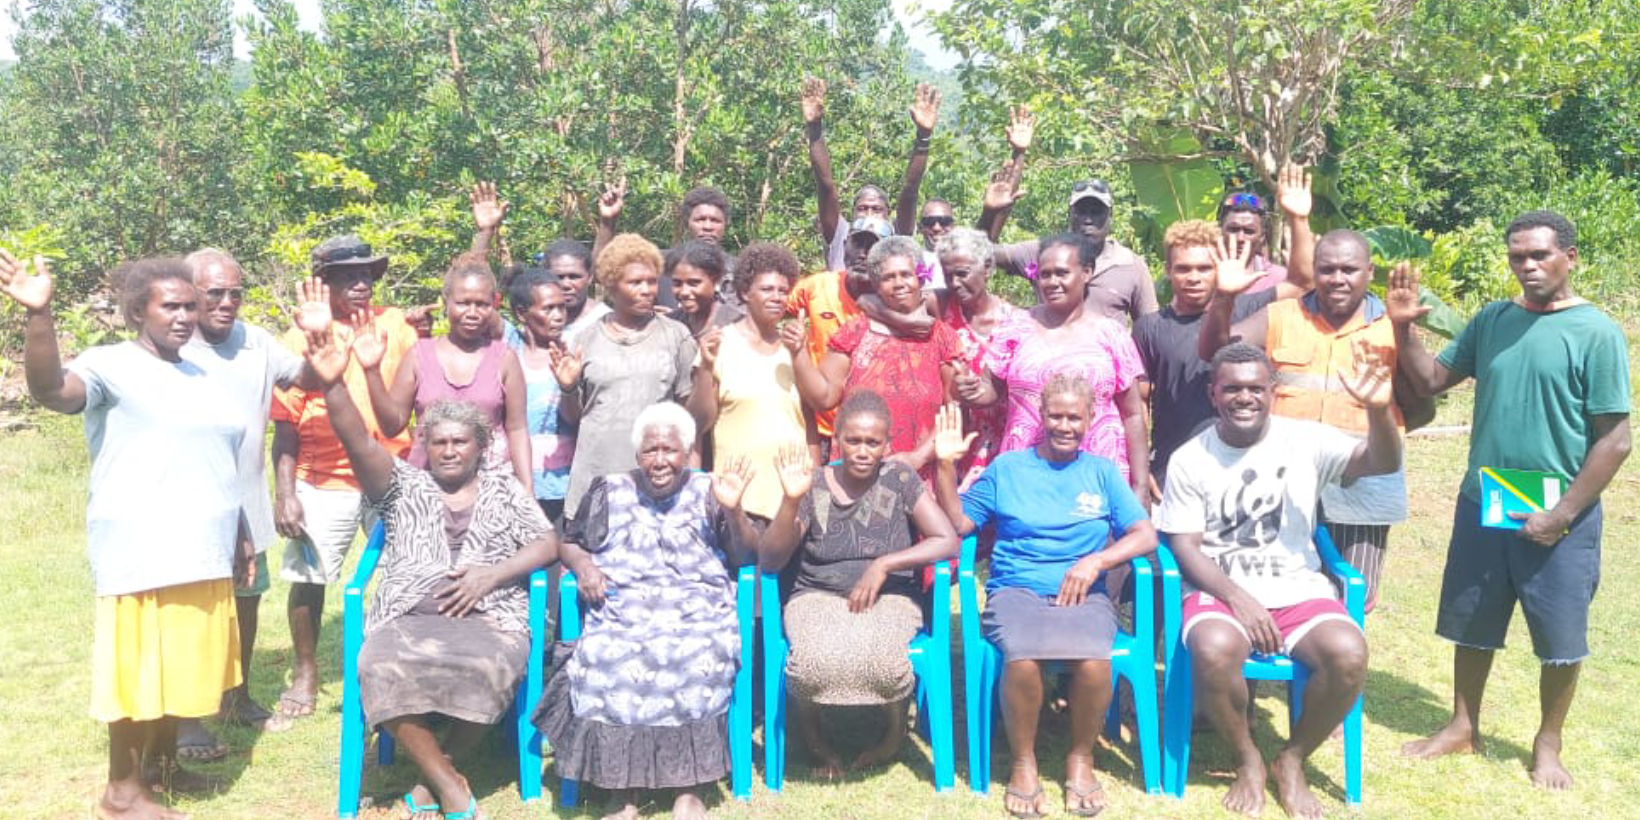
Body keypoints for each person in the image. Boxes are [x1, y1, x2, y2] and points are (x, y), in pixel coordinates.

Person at [3, 252, 251, 820]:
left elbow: (217, 457)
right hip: (146, 548)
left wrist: (238, 530)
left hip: (204, 548)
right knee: (141, 677)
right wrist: (39, 316)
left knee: (183, 671)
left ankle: (161, 772)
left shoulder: (198, 371)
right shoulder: (110, 364)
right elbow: (52, 392)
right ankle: (121, 793)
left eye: (192, 305)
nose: (186, 317)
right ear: (138, 311)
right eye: (172, 307)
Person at [1395, 211, 1631, 791]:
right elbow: (1429, 382)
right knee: (1472, 616)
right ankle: (1462, 726)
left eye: (1539, 255)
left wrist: (1563, 515)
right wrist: (1403, 330)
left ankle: (1548, 743)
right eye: (1517, 257)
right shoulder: (1494, 320)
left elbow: (1615, 439)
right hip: (1487, 498)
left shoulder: (1596, 332)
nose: (1527, 266)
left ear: (1569, 258)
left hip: (1558, 509)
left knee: (1559, 633)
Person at [301, 330, 558, 820]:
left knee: (495, 667)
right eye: (438, 442)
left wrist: (491, 575)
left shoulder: (504, 490)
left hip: (490, 618)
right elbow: (358, 442)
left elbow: (548, 543)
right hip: (407, 616)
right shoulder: (402, 485)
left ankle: (425, 787)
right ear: (426, 446)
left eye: (460, 441)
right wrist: (334, 385)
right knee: (377, 666)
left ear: (482, 447)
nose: (448, 450)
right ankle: (446, 782)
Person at [1155, 342, 1399, 820]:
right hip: (1219, 591)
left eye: (1255, 388)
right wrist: (1239, 598)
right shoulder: (1190, 458)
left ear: (1274, 392)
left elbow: (1382, 461)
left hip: (1297, 589)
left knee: (1348, 653)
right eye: (1232, 389)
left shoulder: (1306, 441)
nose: (1244, 397)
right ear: (1213, 393)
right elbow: (1184, 546)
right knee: (1214, 647)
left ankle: (1291, 758)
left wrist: (1378, 411)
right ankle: (1248, 759)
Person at [932, 375, 1159, 819]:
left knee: (1096, 660)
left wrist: (1097, 562)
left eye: (1075, 417)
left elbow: (1144, 534)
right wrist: (944, 466)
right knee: (1023, 657)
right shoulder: (1008, 468)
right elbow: (960, 523)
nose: (1065, 425)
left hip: (1084, 594)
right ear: (1041, 416)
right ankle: (1023, 761)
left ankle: (1080, 756)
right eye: (1056, 415)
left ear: (1091, 420)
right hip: (1017, 589)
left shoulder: (1101, 472)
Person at [536, 403, 760, 820]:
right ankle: (620, 794)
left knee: (694, 655)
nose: (660, 460)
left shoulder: (712, 489)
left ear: (688, 451)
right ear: (637, 454)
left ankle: (689, 789)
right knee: (604, 656)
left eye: (670, 450)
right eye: (650, 450)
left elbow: (746, 554)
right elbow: (569, 540)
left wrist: (733, 509)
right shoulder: (610, 489)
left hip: (698, 610)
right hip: (623, 606)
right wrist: (584, 566)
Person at [1199, 228, 1408, 612]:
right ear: (1314, 270)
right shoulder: (1282, 316)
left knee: (1351, 596)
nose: (1338, 279)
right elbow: (1215, 351)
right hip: (1281, 484)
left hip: (1362, 486)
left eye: (1349, 269)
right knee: (1268, 589)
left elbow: (1422, 399)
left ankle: (1332, 667)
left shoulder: (1395, 325)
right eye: (1327, 269)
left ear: (1370, 271)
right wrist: (1224, 298)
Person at [757, 393, 959, 779]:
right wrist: (789, 501)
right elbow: (770, 559)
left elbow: (946, 539)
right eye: (853, 440)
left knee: (883, 660)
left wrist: (885, 563)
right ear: (836, 439)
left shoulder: (899, 479)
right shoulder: (813, 484)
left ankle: (893, 731)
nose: (863, 451)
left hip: (891, 597)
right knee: (814, 662)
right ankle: (814, 740)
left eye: (873, 442)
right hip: (817, 594)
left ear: (887, 445)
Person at [171, 250, 320, 761]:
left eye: (236, 292)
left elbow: (307, 378)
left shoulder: (255, 341)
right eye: (215, 293)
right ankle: (186, 719)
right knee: (193, 612)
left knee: (245, 603)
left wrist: (322, 344)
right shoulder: (171, 345)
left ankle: (234, 696)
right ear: (189, 292)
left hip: (248, 501)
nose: (227, 302)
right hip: (190, 508)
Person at [270, 234, 419, 730]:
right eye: (346, 276)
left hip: (389, 469)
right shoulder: (300, 336)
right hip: (322, 477)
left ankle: (394, 666)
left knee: (405, 571)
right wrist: (285, 491)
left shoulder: (395, 325)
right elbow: (285, 421)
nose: (359, 285)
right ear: (325, 282)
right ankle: (306, 673)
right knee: (309, 580)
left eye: (366, 275)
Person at [1133, 164, 1316, 496]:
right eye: (1183, 269)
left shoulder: (1246, 309)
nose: (1193, 277)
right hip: (1172, 470)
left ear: (1220, 267)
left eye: (1204, 268)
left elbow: (1303, 282)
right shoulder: (1149, 327)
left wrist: (1298, 219)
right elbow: (1138, 407)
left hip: (1243, 468)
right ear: (1167, 271)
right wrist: (1142, 468)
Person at [956, 234, 1149, 502]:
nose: (1052, 282)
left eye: (1062, 273)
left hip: (1097, 480)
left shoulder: (1112, 334)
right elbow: (991, 390)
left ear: (1087, 273)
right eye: (1045, 274)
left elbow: (1133, 414)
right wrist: (970, 391)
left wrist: (1140, 488)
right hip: (1028, 475)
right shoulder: (1016, 325)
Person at [790, 235, 961, 484]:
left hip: (920, 477)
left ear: (921, 278)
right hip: (854, 477)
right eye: (888, 278)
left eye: (906, 274)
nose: (899, 283)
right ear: (877, 285)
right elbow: (824, 397)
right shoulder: (854, 332)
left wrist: (917, 457)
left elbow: (953, 409)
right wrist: (799, 354)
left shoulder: (943, 338)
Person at [358, 253, 533, 486]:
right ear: (446, 302)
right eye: (462, 303)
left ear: (495, 304)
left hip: (490, 490)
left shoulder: (505, 359)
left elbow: (517, 429)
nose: (472, 312)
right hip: (427, 489)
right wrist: (371, 371)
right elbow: (392, 426)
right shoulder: (419, 355)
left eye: (481, 304)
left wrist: (527, 491)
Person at [558, 233, 698, 516]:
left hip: (657, 482)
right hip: (597, 480)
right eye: (635, 282)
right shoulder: (586, 340)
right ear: (612, 285)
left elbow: (689, 415)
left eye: (651, 281)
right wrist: (568, 388)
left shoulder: (675, 336)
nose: (646, 290)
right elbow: (574, 418)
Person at [689, 242, 813, 521]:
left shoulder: (792, 347)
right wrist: (707, 367)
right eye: (767, 289)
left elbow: (809, 419)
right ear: (745, 292)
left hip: (792, 494)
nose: (777, 297)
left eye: (783, 291)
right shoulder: (719, 344)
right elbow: (698, 422)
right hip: (738, 496)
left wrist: (813, 478)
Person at [801, 76, 942, 270]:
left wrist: (924, 137)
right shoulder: (840, 233)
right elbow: (826, 186)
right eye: (862, 208)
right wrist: (814, 128)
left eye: (877, 209)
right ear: (851, 213)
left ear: (888, 214)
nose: (869, 215)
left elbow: (910, 190)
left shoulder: (895, 235)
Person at [984, 181, 1158, 324]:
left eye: (1096, 212)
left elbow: (1150, 333)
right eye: (1081, 212)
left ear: (1110, 215)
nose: (1088, 220)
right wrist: (991, 213)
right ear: (1070, 214)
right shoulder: (1044, 253)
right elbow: (978, 255)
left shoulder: (1130, 266)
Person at [933, 228, 1028, 489]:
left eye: (962, 274)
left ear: (987, 268)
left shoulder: (1017, 321)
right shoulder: (941, 312)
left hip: (1007, 444)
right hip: (957, 445)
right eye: (948, 275)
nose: (954, 284)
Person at [784, 216, 885, 445]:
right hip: (814, 426)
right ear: (844, 245)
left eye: (873, 247)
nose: (863, 254)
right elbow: (769, 307)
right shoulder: (817, 286)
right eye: (858, 244)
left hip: (868, 435)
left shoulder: (894, 300)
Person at [506, 268, 577, 523]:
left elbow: (576, 419)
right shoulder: (508, 348)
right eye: (548, 309)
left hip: (565, 484)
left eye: (562, 308)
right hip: (515, 482)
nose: (558, 316)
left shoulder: (574, 350)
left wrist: (568, 387)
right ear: (521, 314)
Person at [666, 239, 743, 338]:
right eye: (677, 283)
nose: (684, 292)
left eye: (693, 283)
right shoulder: (669, 325)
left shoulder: (737, 323)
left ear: (716, 280)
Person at [1217, 191, 1290, 293]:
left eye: (1249, 231)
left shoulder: (1279, 279)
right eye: (1233, 229)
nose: (1240, 238)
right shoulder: (1201, 274)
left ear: (1262, 236)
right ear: (1220, 230)